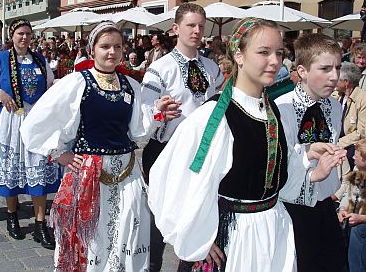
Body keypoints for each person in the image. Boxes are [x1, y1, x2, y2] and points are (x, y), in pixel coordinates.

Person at [148, 18, 345, 271]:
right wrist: (198, 240)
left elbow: (278, 178)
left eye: (279, 53)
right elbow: (173, 179)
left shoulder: (271, 109)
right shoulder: (215, 117)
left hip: (273, 232)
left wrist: (310, 163)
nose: (274, 61)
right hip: (237, 238)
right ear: (239, 56)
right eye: (264, 52)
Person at [20, 21, 178, 271]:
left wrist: (157, 113)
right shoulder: (76, 83)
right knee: (92, 238)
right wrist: (59, 154)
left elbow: (136, 130)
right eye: (105, 46)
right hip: (89, 173)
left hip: (127, 174)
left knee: (126, 234)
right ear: (92, 49)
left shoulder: (130, 85)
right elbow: (35, 123)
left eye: (117, 46)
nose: (112, 52)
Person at [141, 2, 223, 272]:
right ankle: (153, 266)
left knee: (195, 212)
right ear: (176, 28)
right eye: (191, 25)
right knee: (159, 215)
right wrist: (160, 113)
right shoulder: (160, 68)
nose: (197, 31)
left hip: (201, 153)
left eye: (201, 25)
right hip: (165, 151)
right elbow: (144, 115)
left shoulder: (212, 67)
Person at [0, 19, 60, 249]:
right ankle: (12, 215)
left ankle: (40, 224)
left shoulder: (40, 60)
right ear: (12, 36)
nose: (25, 38)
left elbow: (51, 87)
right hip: (12, 121)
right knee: (12, 171)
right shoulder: (0, 59)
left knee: (39, 169)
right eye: (20, 33)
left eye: (28, 34)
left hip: (37, 122)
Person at [275, 33, 347, 271]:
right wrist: (308, 155)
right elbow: (278, 161)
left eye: (337, 67)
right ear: (302, 71)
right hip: (292, 209)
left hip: (325, 206)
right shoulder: (281, 108)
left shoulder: (335, 107)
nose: (334, 76)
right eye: (325, 68)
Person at [337, 138, 366, 272]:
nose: (352, 156)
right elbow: (350, 195)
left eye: (356, 155)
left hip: (362, 223)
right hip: (356, 216)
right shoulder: (357, 170)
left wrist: (362, 218)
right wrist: (343, 209)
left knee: (358, 231)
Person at [335, 62, 366, 172]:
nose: (333, 80)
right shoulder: (336, 96)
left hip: (351, 144)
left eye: (337, 78)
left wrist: (339, 142)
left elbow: (361, 132)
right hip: (336, 139)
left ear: (346, 82)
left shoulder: (363, 99)